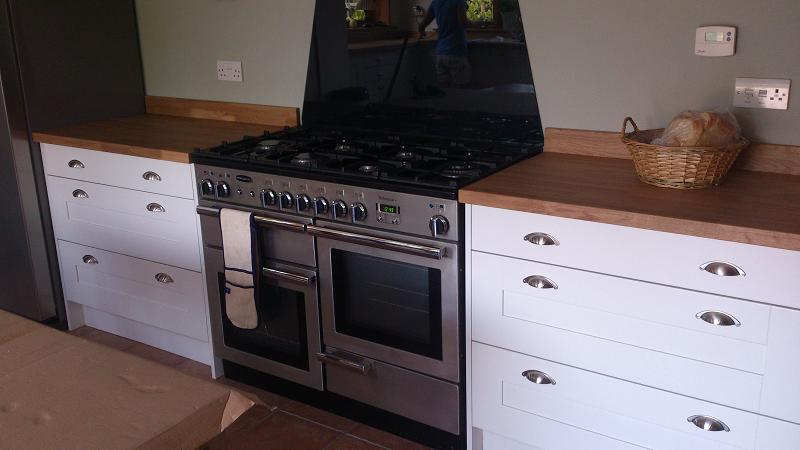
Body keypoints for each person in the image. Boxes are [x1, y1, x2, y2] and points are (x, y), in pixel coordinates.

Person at [418, 0, 471, 88]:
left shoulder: (436, 2)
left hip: (440, 54)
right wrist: (479, 24)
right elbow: (464, 22)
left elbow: (422, 25)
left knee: (444, 91)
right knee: (462, 91)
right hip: (456, 52)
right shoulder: (459, 1)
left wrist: (422, 32)